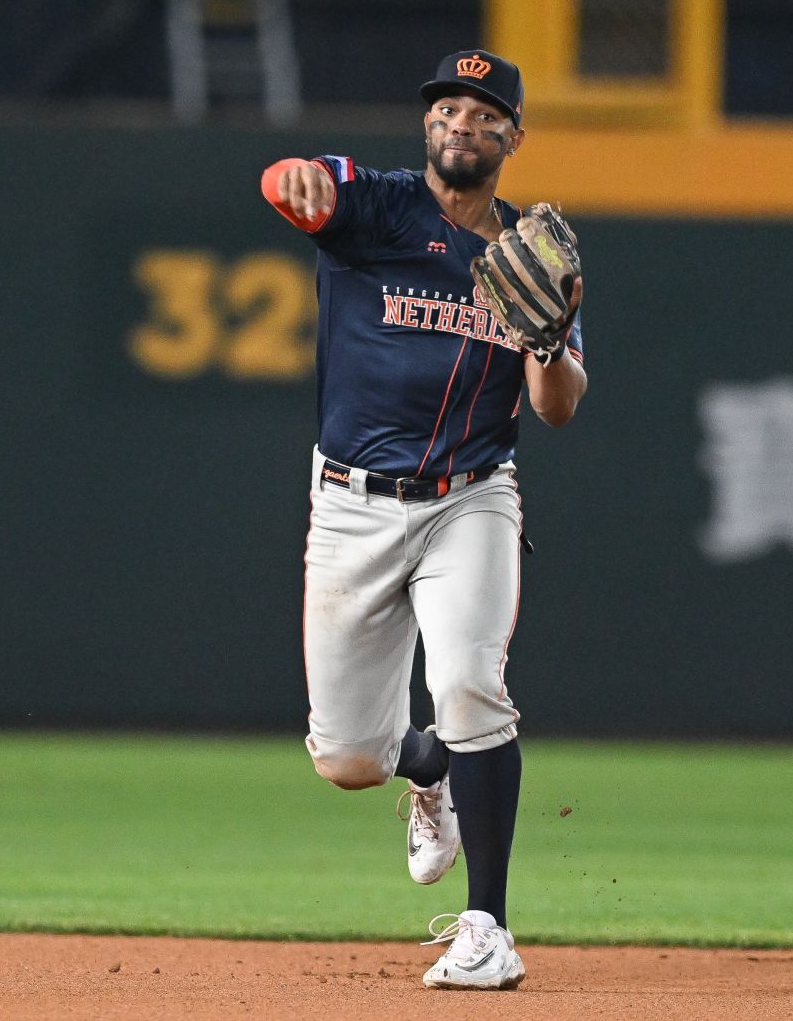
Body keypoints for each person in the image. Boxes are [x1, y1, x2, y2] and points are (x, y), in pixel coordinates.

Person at [260, 49, 586, 990]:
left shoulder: (536, 254)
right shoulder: (382, 206)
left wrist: (550, 338)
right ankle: (425, 766)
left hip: (470, 500)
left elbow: (557, 406)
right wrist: (297, 183)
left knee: (469, 684)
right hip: (352, 503)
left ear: (512, 138)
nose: (461, 124)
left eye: (484, 114)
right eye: (447, 107)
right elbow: (301, 186)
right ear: (427, 126)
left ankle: (488, 926)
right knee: (347, 759)